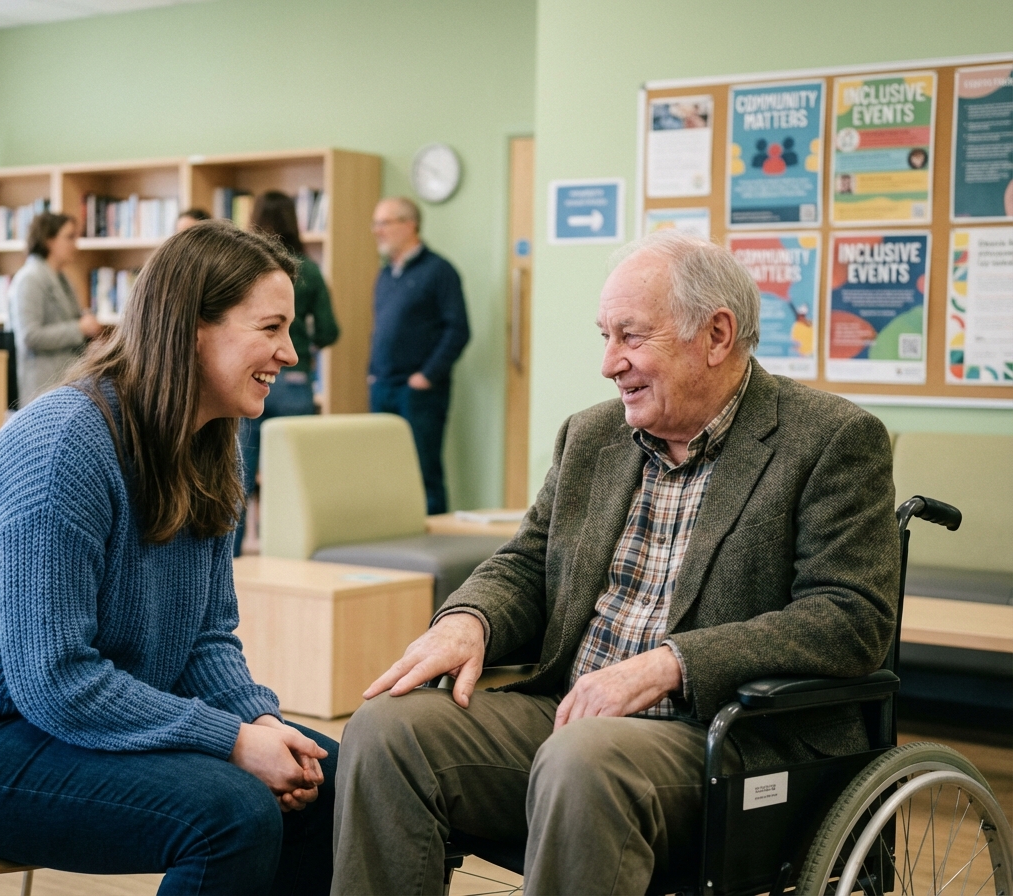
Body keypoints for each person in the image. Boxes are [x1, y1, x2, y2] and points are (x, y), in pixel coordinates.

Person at [331, 232, 900, 895]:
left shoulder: (829, 439)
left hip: (730, 740)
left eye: (631, 336)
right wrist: (470, 620)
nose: (609, 363)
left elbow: (850, 618)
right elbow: (527, 563)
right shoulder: (591, 435)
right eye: (606, 336)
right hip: (572, 715)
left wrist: (671, 664)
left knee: (585, 759)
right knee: (386, 729)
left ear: (717, 336)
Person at [0, 221, 337, 896]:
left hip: (69, 714)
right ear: (192, 329)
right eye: (271, 328)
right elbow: (55, 680)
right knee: (232, 815)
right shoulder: (61, 446)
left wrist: (260, 720)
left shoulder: (214, 443)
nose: (291, 353)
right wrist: (234, 741)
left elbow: (206, 637)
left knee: (327, 778)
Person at [234, 190, 340, 556]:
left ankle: (231, 560)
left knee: (238, 477)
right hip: (294, 383)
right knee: (293, 480)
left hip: (250, 378)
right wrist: (301, 342)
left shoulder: (245, 269)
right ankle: (288, 559)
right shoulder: (307, 269)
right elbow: (330, 331)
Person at [368, 197, 469, 515]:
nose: (377, 231)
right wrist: (372, 373)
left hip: (418, 392)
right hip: (382, 386)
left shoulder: (439, 271)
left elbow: (458, 330)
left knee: (424, 473)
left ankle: (435, 539)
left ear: (409, 225)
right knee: (384, 471)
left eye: (384, 223)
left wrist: (426, 377)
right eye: (375, 223)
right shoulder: (386, 274)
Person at [7, 212, 103, 407]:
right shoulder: (29, 279)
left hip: (64, 383)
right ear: (48, 240)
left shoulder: (63, 278)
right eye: (69, 237)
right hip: (41, 388)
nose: (75, 244)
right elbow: (29, 336)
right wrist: (79, 328)